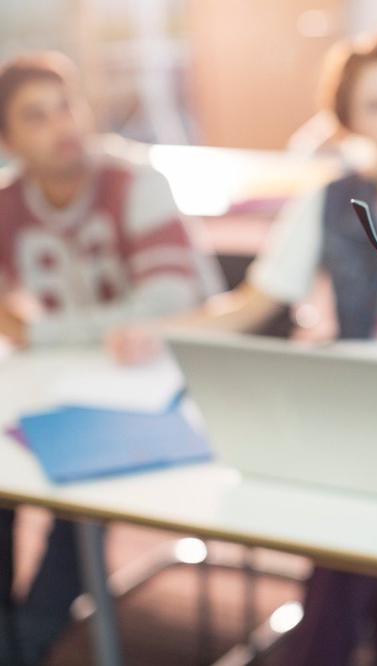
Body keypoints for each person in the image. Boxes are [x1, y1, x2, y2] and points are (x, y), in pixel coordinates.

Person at [123, 34, 377, 665]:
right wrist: (165, 332)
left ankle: (328, 647)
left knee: (360, 530)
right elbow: (257, 301)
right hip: (362, 411)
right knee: (373, 505)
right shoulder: (326, 201)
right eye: (375, 105)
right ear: (349, 121)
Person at [0, 52, 220, 664]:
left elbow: (165, 302)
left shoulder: (136, 181)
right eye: (36, 117)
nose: (61, 125)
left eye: (66, 105)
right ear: (9, 139)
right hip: (70, 380)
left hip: (167, 381)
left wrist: (42, 333)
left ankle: (27, 643)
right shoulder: (7, 204)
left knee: (76, 494)